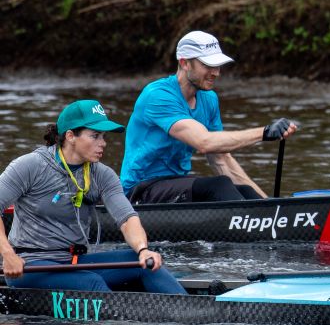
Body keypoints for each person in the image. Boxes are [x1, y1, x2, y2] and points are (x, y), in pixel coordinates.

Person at [0, 100, 186, 293]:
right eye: (95, 136)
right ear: (71, 136)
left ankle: (193, 312)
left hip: (75, 260)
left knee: (146, 265)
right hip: (29, 266)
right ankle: (119, 322)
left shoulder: (102, 174)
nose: (103, 143)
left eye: (103, 136)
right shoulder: (30, 166)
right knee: (91, 283)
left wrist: (142, 250)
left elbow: (127, 218)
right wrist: (8, 254)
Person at [120, 30, 298, 202]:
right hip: (140, 191)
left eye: (217, 66)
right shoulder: (158, 95)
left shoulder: (209, 98)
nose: (216, 72)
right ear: (184, 63)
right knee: (218, 186)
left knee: (243, 190)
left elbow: (221, 159)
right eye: (207, 66)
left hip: (176, 185)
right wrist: (265, 132)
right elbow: (204, 142)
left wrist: (268, 205)